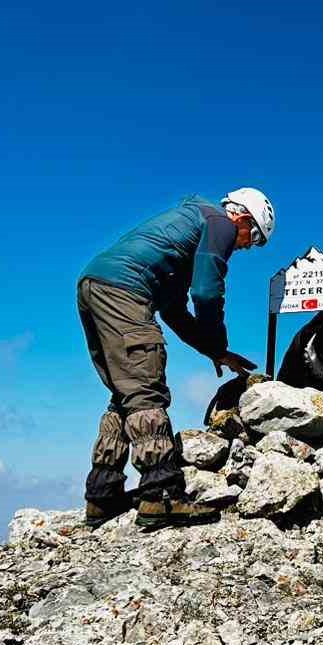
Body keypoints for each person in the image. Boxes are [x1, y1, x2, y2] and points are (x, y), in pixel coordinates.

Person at [77, 187, 275, 530]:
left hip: (95, 285)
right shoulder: (221, 224)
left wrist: (215, 351)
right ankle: (161, 495)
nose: (245, 246)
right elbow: (206, 291)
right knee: (146, 392)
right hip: (125, 290)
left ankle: (103, 496)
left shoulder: (187, 229)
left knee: (126, 395)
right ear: (243, 218)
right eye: (253, 237)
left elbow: (174, 310)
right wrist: (217, 339)